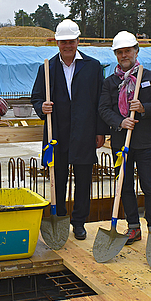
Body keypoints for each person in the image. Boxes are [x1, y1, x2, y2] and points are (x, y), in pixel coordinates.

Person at [31, 19, 108, 240]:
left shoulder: (92, 67)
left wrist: (99, 131)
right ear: (57, 43)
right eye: (63, 42)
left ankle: (79, 222)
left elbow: (99, 102)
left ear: (78, 41)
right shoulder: (47, 68)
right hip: (58, 134)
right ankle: (61, 217)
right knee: (58, 179)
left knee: (84, 180)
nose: (67, 46)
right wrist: (41, 107)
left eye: (71, 41)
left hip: (84, 132)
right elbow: (36, 97)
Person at [99, 31, 151, 244]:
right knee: (125, 186)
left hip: (145, 142)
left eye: (127, 51)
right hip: (121, 143)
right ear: (116, 55)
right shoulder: (110, 82)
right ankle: (133, 227)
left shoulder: (150, 77)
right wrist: (120, 122)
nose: (124, 55)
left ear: (136, 51)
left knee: (150, 185)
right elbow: (103, 109)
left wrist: (143, 108)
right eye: (119, 52)